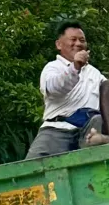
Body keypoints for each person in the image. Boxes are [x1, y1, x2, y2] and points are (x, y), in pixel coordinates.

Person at [26, 21, 104, 159]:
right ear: (58, 44)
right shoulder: (52, 67)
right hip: (57, 129)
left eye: (82, 40)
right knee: (31, 173)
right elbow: (54, 88)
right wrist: (75, 67)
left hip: (89, 129)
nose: (78, 44)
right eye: (73, 40)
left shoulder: (95, 73)